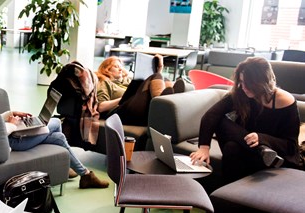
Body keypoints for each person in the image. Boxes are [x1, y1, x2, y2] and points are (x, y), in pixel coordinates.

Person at [0, 54, 109, 189]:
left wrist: (9, 114)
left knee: (58, 138)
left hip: (6, 134)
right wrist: (12, 125)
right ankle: (81, 173)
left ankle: (83, 173)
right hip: (10, 141)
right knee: (56, 124)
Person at [190, 56, 304, 184]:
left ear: (261, 83)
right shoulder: (241, 93)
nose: (243, 87)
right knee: (221, 120)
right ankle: (260, 151)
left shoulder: (285, 101)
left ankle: (227, 194)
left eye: (247, 84)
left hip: (275, 154)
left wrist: (261, 138)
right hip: (247, 146)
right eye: (241, 82)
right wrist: (204, 148)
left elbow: (291, 147)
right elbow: (211, 115)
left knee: (231, 147)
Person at [95, 55, 186, 126]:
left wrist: (159, 68)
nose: (120, 69)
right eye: (116, 66)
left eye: (121, 66)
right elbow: (101, 107)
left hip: (135, 107)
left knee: (165, 80)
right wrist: (122, 99)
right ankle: (161, 105)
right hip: (119, 112)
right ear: (106, 69)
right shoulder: (104, 82)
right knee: (156, 76)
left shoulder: (127, 80)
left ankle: (170, 100)